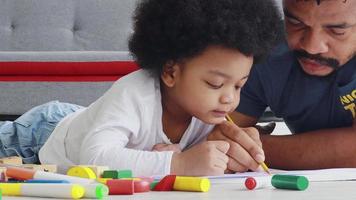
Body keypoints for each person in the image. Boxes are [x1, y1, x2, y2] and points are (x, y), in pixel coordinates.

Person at [0, 0, 282, 176]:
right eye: (216, 84)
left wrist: (231, 155)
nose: (229, 98)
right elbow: (94, 157)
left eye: (240, 85)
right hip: (38, 138)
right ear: (171, 71)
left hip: (90, 122)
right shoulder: (135, 93)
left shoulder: (207, 111)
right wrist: (179, 164)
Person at [208, 0, 356, 172]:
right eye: (295, 23)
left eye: (337, 31)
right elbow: (219, 138)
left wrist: (256, 147)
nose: (312, 47)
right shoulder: (263, 53)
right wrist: (233, 142)